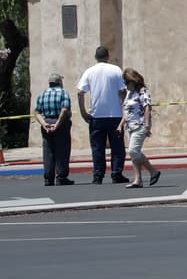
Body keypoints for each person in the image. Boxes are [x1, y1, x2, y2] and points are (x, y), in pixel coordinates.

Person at [76, 45, 127, 184]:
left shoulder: (89, 72)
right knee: (117, 147)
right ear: (108, 56)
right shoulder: (116, 70)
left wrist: (83, 112)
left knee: (97, 147)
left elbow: (80, 92)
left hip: (96, 115)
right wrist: (123, 106)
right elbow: (123, 90)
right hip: (115, 115)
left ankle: (98, 175)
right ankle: (116, 173)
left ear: (95, 57)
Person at [120, 68, 160, 188]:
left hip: (141, 125)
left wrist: (147, 125)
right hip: (131, 126)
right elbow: (127, 111)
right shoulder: (129, 94)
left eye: (127, 82)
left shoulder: (143, 91)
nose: (126, 85)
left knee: (133, 150)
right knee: (134, 153)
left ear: (133, 81)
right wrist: (120, 125)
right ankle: (138, 179)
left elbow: (147, 107)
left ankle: (153, 171)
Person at [33, 72, 74, 186]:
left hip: (46, 122)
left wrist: (44, 124)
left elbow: (36, 112)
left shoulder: (42, 94)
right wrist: (57, 124)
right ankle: (61, 177)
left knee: (48, 151)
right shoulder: (63, 93)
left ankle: (48, 178)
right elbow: (65, 109)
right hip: (60, 123)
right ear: (59, 82)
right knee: (62, 150)